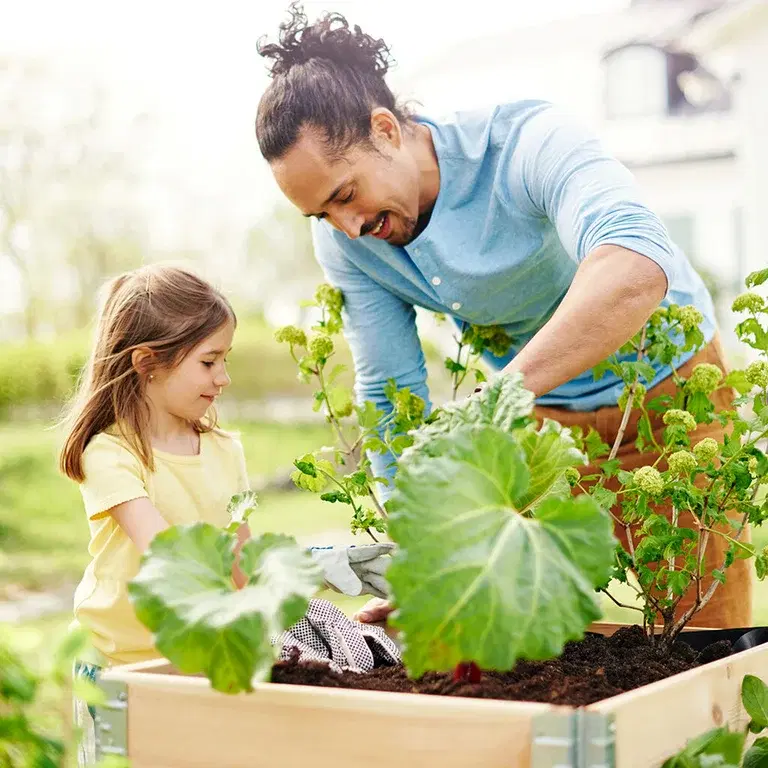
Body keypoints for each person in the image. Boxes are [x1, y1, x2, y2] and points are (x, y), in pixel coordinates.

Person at [253, 5, 751, 629]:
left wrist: (501, 396)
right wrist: (421, 543)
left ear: (385, 129)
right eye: (322, 215)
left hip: (671, 400)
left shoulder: (526, 143)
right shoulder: (348, 241)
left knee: (703, 641)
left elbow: (635, 266)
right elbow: (388, 385)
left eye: (346, 194)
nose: (348, 227)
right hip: (540, 429)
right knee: (516, 634)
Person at [59, 264, 393, 764]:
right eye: (209, 361)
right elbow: (170, 560)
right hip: (118, 664)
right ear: (148, 362)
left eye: (225, 359)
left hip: (196, 657)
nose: (224, 378)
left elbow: (241, 562)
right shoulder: (110, 453)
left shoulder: (223, 449)